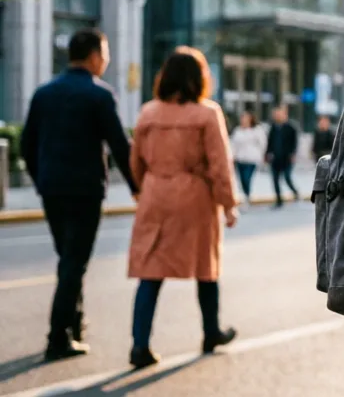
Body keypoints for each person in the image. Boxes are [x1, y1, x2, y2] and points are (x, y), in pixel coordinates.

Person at [22, 27, 139, 361]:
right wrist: (137, 187)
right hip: (85, 191)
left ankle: (74, 323)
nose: (107, 60)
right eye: (105, 54)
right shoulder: (99, 95)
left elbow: (28, 144)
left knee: (68, 258)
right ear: (94, 56)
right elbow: (119, 146)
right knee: (74, 262)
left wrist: (41, 181)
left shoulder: (44, 93)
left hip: (52, 189)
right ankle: (58, 336)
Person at [126, 47, 239, 368]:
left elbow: (135, 161)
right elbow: (219, 165)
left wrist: (143, 188)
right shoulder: (207, 114)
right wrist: (228, 204)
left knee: (150, 270)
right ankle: (210, 332)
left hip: (154, 193)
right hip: (194, 196)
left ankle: (139, 345)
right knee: (206, 266)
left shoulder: (148, 113)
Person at [265, 105, 300, 207]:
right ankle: (279, 199)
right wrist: (267, 153)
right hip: (275, 158)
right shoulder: (273, 127)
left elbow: (295, 143)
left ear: (285, 114)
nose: (277, 116)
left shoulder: (291, 127)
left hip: (287, 158)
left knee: (287, 177)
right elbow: (269, 142)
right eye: (275, 114)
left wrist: (293, 154)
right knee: (275, 179)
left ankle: (295, 191)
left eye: (279, 114)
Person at [230, 111, 267, 201]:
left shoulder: (257, 130)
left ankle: (247, 195)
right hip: (240, 159)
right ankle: (246, 195)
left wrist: (262, 155)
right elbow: (233, 144)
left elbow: (263, 143)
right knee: (242, 179)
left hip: (252, 159)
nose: (244, 120)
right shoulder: (238, 130)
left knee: (247, 178)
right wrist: (232, 155)